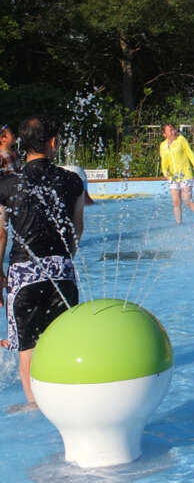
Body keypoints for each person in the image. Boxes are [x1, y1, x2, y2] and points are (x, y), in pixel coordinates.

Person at [0, 116, 85, 406]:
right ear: (52, 142)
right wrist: (63, 261)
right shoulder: (72, 180)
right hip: (61, 273)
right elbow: (77, 228)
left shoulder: (8, 184)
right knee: (62, 347)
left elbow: (1, 234)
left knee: (28, 352)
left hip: (24, 276)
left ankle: (36, 410)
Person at [159, 123, 194, 224]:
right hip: (173, 177)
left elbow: (190, 154)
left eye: (174, 129)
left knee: (187, 200)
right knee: (176, 202)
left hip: (185, 175)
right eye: (170, 130)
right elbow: (164, 161)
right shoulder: (163, 146)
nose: (173, 131)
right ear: (165, 134)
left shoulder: (181, 139)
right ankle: (178, 223)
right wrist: (165, 173)